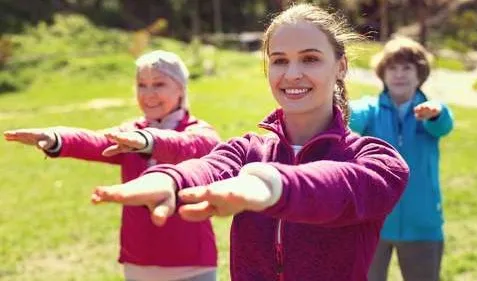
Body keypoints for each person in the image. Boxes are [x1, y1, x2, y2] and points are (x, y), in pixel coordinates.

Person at [91, 4, 409, 281]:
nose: (292, 73)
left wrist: (268, 185)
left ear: (340, 66)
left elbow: (338, 186)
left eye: (310, 59)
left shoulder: (377, 160)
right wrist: (168, 179)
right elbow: (207, 167)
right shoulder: (247, 151)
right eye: (280, 60)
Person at [4, 50, 220, 281]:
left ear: (181, 88)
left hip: (192, 262)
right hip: (140, 258)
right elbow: (95, 142)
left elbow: (190, 145)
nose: (148, 94)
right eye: (141, 85)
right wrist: (57, 138)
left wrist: (148, 141)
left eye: (159, 84)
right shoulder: (130, 132)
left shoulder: (199, 131)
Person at [349, 37, 454, 281]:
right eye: (392, 68)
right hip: (372, 223)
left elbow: (444, 124)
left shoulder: (429, 111)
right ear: (382, 73)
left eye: (407, 68)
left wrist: (435, 113)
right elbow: (350, 115)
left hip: (422, 224)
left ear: (420, 74)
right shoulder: (370, 109)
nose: (399, 74)